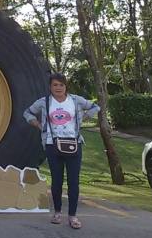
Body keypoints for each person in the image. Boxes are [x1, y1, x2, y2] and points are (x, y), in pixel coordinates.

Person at [23, 72, 99, 229]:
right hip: (52, 144)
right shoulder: (44, 102)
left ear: (66, 86)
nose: (58, 88)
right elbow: (27, 112)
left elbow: (95, 107)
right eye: (55, 85)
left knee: (73, 181)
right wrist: (38, 125)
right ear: (50, 87)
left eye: (61, 85)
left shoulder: (75, 100)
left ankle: (73, 216)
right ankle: (57, 212)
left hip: (73, 144)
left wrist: (82, 118)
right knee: (57, 181)